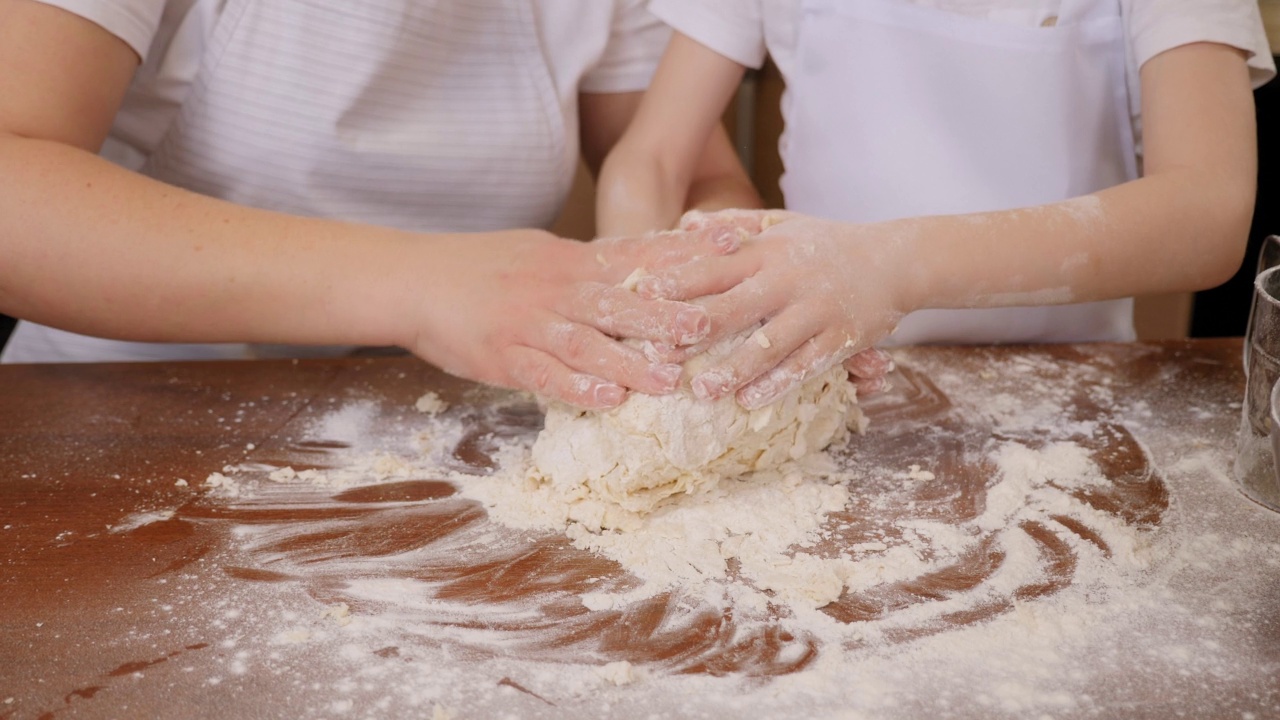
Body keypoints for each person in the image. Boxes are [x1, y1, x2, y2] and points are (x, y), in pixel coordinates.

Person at [0, 0, 763, 410]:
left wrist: (724, 302)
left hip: (434, 434)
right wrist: (421, 287)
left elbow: (682, 176)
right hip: (113, 426)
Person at [597, 0, 1276, 411]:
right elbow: (651, 162)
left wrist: (892, 267)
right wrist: (646, 337)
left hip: (1073, 397)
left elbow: (1207, 211)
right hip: (834, 390)